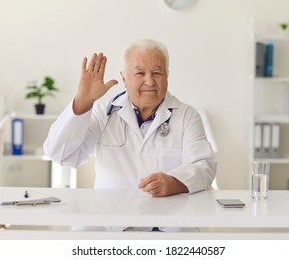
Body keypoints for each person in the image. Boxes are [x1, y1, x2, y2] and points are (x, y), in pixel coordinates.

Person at [43, 39, 216, 198]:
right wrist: (82, 102)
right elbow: (61, 155)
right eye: (140, 73)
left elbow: (203, 166)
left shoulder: (187, 116)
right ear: (124, 78)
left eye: (157, 72)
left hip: (166, 224)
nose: (149, 81)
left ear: (167, 76)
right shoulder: (104, 113)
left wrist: (174, 182)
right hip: (110, 224)